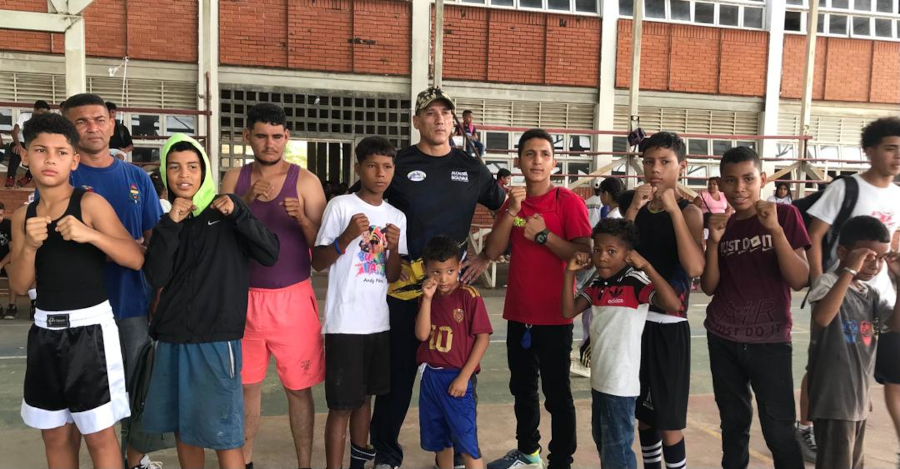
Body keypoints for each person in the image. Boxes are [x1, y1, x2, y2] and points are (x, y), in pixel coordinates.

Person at [369, 87, 505, 469]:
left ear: (453, 121)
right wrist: (382, 255)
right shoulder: (397, 164)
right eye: (430, 113)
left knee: (457, 376)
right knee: (397, 377)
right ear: (417, 121)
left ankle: (459, 452)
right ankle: (386, 453)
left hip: (451, 292)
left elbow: (507, 208)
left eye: (446, 113)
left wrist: (487, 255)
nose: (440, 119)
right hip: (404, 287)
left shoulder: (471, 167)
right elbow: (369, 205)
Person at [10, 112, 144, 469]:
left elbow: (135, 258)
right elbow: (19, 285)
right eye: (40, 150)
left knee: (99, 435)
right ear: (25, 155)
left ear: (74, 160)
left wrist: (91, 235)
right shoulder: (22, 217)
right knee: (54, 435)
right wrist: (29, 247)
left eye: (60, 152)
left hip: (90, 332)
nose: (50, 159)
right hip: (44, 331)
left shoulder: (89, 204)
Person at [142, 134, 279, 469]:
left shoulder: (227, 209)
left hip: (216, 339)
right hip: (173, 337)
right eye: (174, 167)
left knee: (224, 433)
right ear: (165, 173)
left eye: (192, 166)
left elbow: (270, 253)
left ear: (204, 171)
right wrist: (170, 224)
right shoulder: (168, 221)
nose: (184, 175)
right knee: (184, 427)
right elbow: (156, 275)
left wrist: (239, 212)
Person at [56, 93, 165, 469]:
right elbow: (57, 246)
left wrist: (158, 292)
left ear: (112, 123)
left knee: (136, 387)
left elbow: (154, 244)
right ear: (68, 128)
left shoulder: (136, 177)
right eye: (81, 121)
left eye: (99, 119)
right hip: (79, 310)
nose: (92, 128)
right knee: (85, 397)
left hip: (132, 303)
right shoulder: (61, 178)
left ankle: (135, 459)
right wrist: (119, 248)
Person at [220, 103, 327, 469]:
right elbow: (219, 236)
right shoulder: (235, 178)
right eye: (262, 136)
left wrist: (303, 221)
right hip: (243, 299)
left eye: (277, 136)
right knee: (245, 388)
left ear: (287, 137)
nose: (270, 144)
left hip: (293, 299)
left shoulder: (307, 182)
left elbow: (324, 251)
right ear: (247, 136)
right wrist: (245, 201)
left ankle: (304, 465)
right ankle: (245, 463)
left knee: (298, 388)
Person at [483, 129, 592, 469]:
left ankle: (561, 460)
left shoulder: (567, 202)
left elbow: (586, 254)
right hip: (519, 313)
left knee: (557, 394)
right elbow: (493, 251)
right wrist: (511, 211)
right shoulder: (514, 204)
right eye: (529, 154)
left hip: (555, 315)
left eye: (544, 154)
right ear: (518, 161)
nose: (537, 160)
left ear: (554, 162)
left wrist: (544, 236)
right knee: (522, 389)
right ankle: (528, 453)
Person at [701, 147, 809, 469]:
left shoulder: (785, 216)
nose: (740, 188)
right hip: (723, 338)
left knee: (779, 430)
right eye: (731, 181)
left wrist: (775, 230)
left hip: (770, 339)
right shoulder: (723, 225)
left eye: (748, 179)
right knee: (733, 425)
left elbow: (800, 279)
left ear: (762, 179)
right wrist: (714, 242)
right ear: (721, 183)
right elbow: (709, 286)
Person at [801, 116, 900, 462]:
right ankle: (806, 426)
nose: (898, 156)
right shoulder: (846, 188)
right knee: (827, 362)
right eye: (891, 148)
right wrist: (821, 281)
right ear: (870, 151)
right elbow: (814, 235)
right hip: (838, 289)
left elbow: (892, 242)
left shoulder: (898, 195)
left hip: (876, 297)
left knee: (872, 368)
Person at [312, 136, 407, 469]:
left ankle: (358, 463)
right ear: (358, 168)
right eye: (372, 166)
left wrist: (394, 249)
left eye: (387, 167)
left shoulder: (396, 216)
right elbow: (318, 262)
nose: (380, 174)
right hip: (345, 323)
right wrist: (347, 237)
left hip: (378, 322)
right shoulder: (341, 206)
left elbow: (392, 276)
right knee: (341, 406)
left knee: (366, 397)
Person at [561, 218, 681, 469]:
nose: (602, 257)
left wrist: (646, 266)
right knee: (604, 444)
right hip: (600, 380)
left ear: (628, 255)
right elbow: (568, 311)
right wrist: (570, 272)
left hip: (620, 384)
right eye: (597, 249)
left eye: (611, 251)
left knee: (617, 450)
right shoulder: (597, 283)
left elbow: (672, 304)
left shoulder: (635, 280)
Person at [624, 131, 704, 469]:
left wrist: (673, 211)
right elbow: (617, 257)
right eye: (649, 161)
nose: (655, 168)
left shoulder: (689, 211)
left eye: (665, 162)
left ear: (681, 166)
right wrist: (632, 209)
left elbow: (695, 268)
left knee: (669, 422)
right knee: (644, 417)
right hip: (634, 321)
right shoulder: (636, 206)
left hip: (669, 325)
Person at [807, 215, 900, 468]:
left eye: (881, 259)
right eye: (868, 257)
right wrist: (849, 270)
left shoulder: (870, 293)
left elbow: (895, 325)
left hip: (857, 399)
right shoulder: (828, 282)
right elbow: (823, 318)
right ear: (843, 252)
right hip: (834, 398)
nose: (875, 266)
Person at [416, 235, 492, 469]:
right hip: (431, 378)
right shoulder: (426, 298)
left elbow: (483, 338)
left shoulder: (468, 297)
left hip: (458, 377)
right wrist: (427, 300)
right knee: (440, 442)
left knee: (467, 444)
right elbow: (422, 335)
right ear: (425, 269)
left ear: (459, 266)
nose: (443, 278)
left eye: (450, 271)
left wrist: (464, 377)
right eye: (436, 272)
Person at [8, 100, 51, 188]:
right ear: (35, 109)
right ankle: (10, 178)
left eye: (45, 113)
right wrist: (18, 145)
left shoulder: (44, 122)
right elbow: (14, 132)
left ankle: (27, 178)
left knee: (41, 157)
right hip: (21, 142)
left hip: (33, 145)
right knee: (16, 151)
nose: (43, 114)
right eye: (41, 111)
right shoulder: (24, 116)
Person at [0, 202, 18, 320]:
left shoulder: (8, 225)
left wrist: (1, 264)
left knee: (12, 272)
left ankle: (12, 306)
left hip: (7, 260)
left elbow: (13, 250)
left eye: (1, 215)